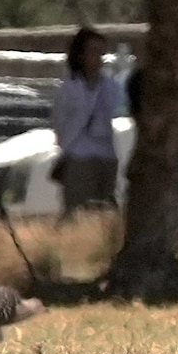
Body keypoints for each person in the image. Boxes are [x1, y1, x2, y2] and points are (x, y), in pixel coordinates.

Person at [50, 28, 125, 217]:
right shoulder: (68, 87)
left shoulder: (111, 86)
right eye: (93, 51)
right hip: (79, 156)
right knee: (76, 213)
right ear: (80, 55)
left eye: (101, 52)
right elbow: (59, 121)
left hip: (106, 155)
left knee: (103, 213)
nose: (98, 58)